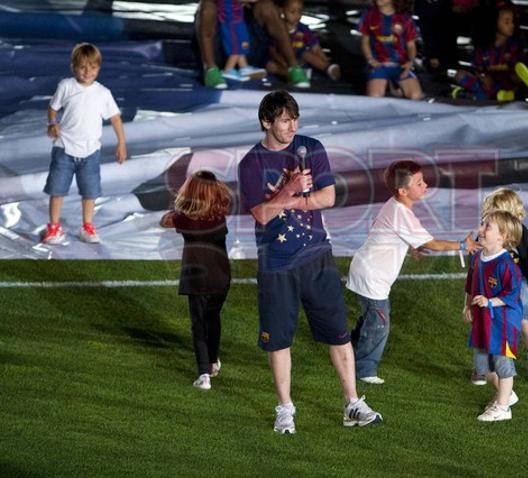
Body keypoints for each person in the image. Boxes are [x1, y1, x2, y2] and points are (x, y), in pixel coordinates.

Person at [238, 90, 382, 434]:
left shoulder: (311, 147)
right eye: (285, 120)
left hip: (317, 255)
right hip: (276, 262)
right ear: (266, 122)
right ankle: (285, 409)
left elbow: (328, 198)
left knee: (338, 332)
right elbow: (260, 214)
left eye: (295, 118)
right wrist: (290, 191)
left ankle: (352, 403)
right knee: (279, 340)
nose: (293, 126)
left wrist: (289, 202)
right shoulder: (251, 164)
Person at [347, 160, 479, 385]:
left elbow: (392, 232)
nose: (425, 185)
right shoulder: (402, 214)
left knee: (370, 316)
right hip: (372, 277)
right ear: (403, 190)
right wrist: (463, 245)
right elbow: (432, 243)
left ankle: (346, 349)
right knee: (379, 323)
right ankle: (364, 369)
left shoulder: (394, 205)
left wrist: (412, 246)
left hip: (365, 270)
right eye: (419, 183)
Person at [42, 42, 127, 245]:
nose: (87, 71)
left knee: (90, 191)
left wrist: (121, 143)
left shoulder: (103, 93)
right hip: (64, 148)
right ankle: (54, 227)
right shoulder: (66, 86)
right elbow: (53, 108)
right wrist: (52, 123)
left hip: (90, 152)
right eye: (82, 66)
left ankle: (87, 226)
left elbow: (115, 118)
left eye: (93, 67)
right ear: (73, 67)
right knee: (57, 189)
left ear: (99, 68)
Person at [160, 170, 232, 390]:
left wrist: (179, 208)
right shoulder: (219, 214)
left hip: (197, 278)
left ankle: (204, 374)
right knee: (213, 319)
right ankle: (213, 361)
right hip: (221, 275)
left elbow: (164, 221)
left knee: (199, 325)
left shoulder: (185, 219)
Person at [474, 188, 528, 384]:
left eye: (494, 214)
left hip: (517, 284)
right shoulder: (486, 234)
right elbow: (477, 259)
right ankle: (484, 366)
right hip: (492, 285)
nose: (487, 220)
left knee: (523, 321)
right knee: (486, 321)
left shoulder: (525, 237)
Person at [463, 209, 523, 422]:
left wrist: (489, 302)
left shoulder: (506, 265)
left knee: (502, 364)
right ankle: (506, 395)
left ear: (503, 236)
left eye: (487, 226)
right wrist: (468, 306)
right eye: (482, 224)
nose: (480, 229)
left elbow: (513, 294)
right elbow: (470, 283)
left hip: (503, 322)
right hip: (483, 319)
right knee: (483, 367)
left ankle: (503, 408)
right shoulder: (478, 257)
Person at [196, 0, 310, 88]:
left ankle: (294, 69)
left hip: (252, 41)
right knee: (207, 7)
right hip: (221, 39)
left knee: (267, 7)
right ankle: (210, 70)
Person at [453, 2, 528, 101]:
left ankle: (497, 95)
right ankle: (494, 95)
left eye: (512, 22)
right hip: (486, 84)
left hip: (505, 83)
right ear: (494, 23)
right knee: (460, 75)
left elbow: (518, 67)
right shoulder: (484, 46)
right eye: (507, 22)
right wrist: (483, 76)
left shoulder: (514, 46)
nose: (512, 26)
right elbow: (477, 67)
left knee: (512, 79)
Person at [359, 0, 423, 99]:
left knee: (416, 96)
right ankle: (387, 84)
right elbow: (365, 41)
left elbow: (411, 45)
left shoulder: (405, 18)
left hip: (400, 64)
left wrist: (410, 62)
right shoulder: (369, 15)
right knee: (374, 97)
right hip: (379, 64)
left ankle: (394, 85)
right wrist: (370, 59)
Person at [266, 0, 341, 81]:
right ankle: (294, 74)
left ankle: (328, 68)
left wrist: (324, 59)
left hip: (301, 59)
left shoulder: (303, 29)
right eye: (292, 12)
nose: (296, 15)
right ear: (282, 11)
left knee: (306, 54)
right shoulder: (276, 29)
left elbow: (315, 46)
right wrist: (281, 61)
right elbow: (272, 50)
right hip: (283, 61)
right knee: (270, 66)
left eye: (299, 12)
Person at [216, 0, 266, 84]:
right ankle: (228, 69)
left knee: (242, 42)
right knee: (235, 47)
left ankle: (243, 66)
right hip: (230, 22)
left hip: (237, 20)